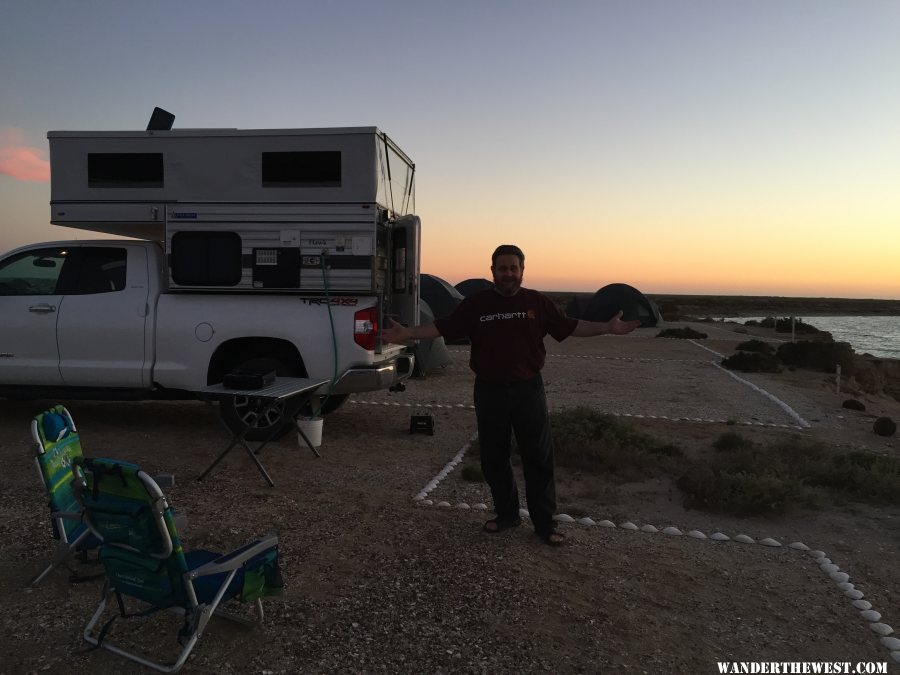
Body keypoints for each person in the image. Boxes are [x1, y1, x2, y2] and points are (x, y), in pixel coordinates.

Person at [381, 245, 641, 546]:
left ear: (522, 271)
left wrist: (607, 328)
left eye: (513, 268)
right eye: (502, 268)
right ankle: (507, 515)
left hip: (528, 390)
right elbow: (442, 326)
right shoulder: (476, 304)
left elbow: (571, 326)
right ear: (493, 271)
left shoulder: (536, 303)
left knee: (538, 458)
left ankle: (544, 524)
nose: (508, 274)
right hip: (489, 390)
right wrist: (406, 333)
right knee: (494, 457)